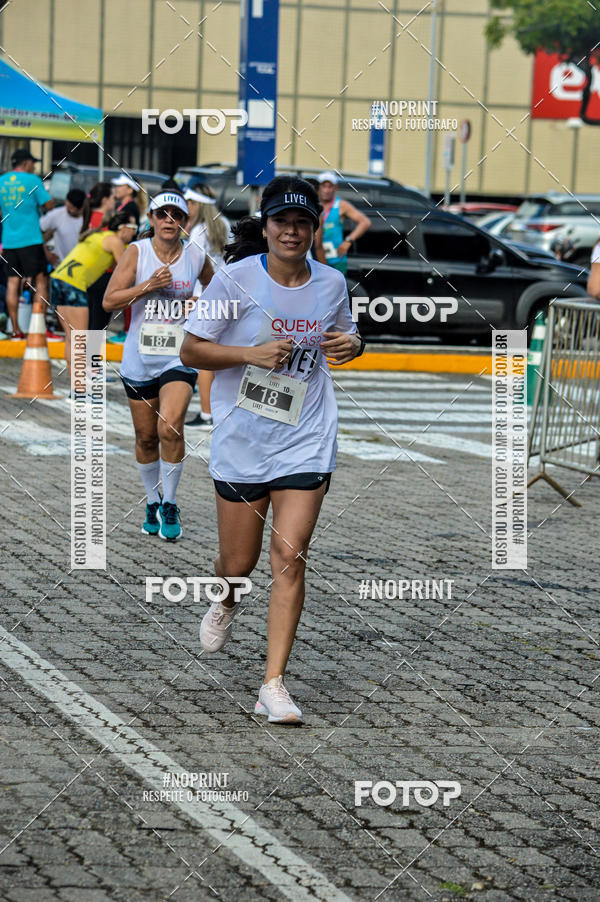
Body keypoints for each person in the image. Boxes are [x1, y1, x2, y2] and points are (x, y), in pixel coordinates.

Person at [180, 175, 365, 724]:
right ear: (265, 227)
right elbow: (192, 350)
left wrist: (353, 344)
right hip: (244, 441)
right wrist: (249, 355)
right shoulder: (235, 280)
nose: (291, 231)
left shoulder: (332, 283)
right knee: (240, 563)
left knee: (291, 556)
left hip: (306, 439)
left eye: (302, 222)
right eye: (282, 221)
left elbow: (347, 337)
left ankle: (273, 685)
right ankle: (228, 596)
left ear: (314, 229)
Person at [103, 189, 214, 541]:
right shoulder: (138, 252)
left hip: (178, 356)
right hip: (139, 356)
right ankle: (152, 500)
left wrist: (202, 304)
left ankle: (171, 502)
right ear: (150, 220)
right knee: (146, 437)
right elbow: (109, 301)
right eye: (162, 215)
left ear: (186, 222)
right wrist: (148, 285)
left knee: (170, 427)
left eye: (176, 216)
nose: (169, 221)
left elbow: (218, 291)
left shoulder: (195, 255)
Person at [50, 210, 138, 378]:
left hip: (58, 281)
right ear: (124, 227)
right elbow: (125, 270)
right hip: (74, 285)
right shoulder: (115, 241)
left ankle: (76, 384)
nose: (134, 233)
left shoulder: (98, 235)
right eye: (134, 227)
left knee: (72, 338)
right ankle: (82, 384)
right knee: (80, 340)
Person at [184, 185, 233, 429]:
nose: (187, 207)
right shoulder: (225, 224)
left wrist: (193, 298)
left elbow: (196, 269)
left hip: (206, 297)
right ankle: (219, 411)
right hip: (230, 296)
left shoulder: (198, 231)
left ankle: (206, 414)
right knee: (221, 357)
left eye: (190, 203)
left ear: (198, 205)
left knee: (204, 359)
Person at [0, 148, 54, 339]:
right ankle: (38, 328)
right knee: (40, 281)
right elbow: (49, 205)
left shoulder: (1, 181)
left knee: (13, 283)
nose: (34, 166)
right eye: (33, 163)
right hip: (31, 239)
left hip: (9, 241)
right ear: (25, 163)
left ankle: (16, 330)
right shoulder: (33, 181)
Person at [313, 170, 371, 275]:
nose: (326, 190)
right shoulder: (313, 204)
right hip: (316, 258)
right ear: (319, 188)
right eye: (323, 186)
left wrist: (348, 241)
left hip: (336, 260)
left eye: (329, 186)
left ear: (335, 188)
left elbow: (365, 222)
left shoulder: (341, 205)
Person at [41, 188, 85, 265]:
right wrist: (47, 254)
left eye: (73, 209)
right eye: (68, 207)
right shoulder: (56, 214)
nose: (70, 211)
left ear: (81, 208)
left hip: (82, 265)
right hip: (60, 266)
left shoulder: (87, 217)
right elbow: (37, 233)